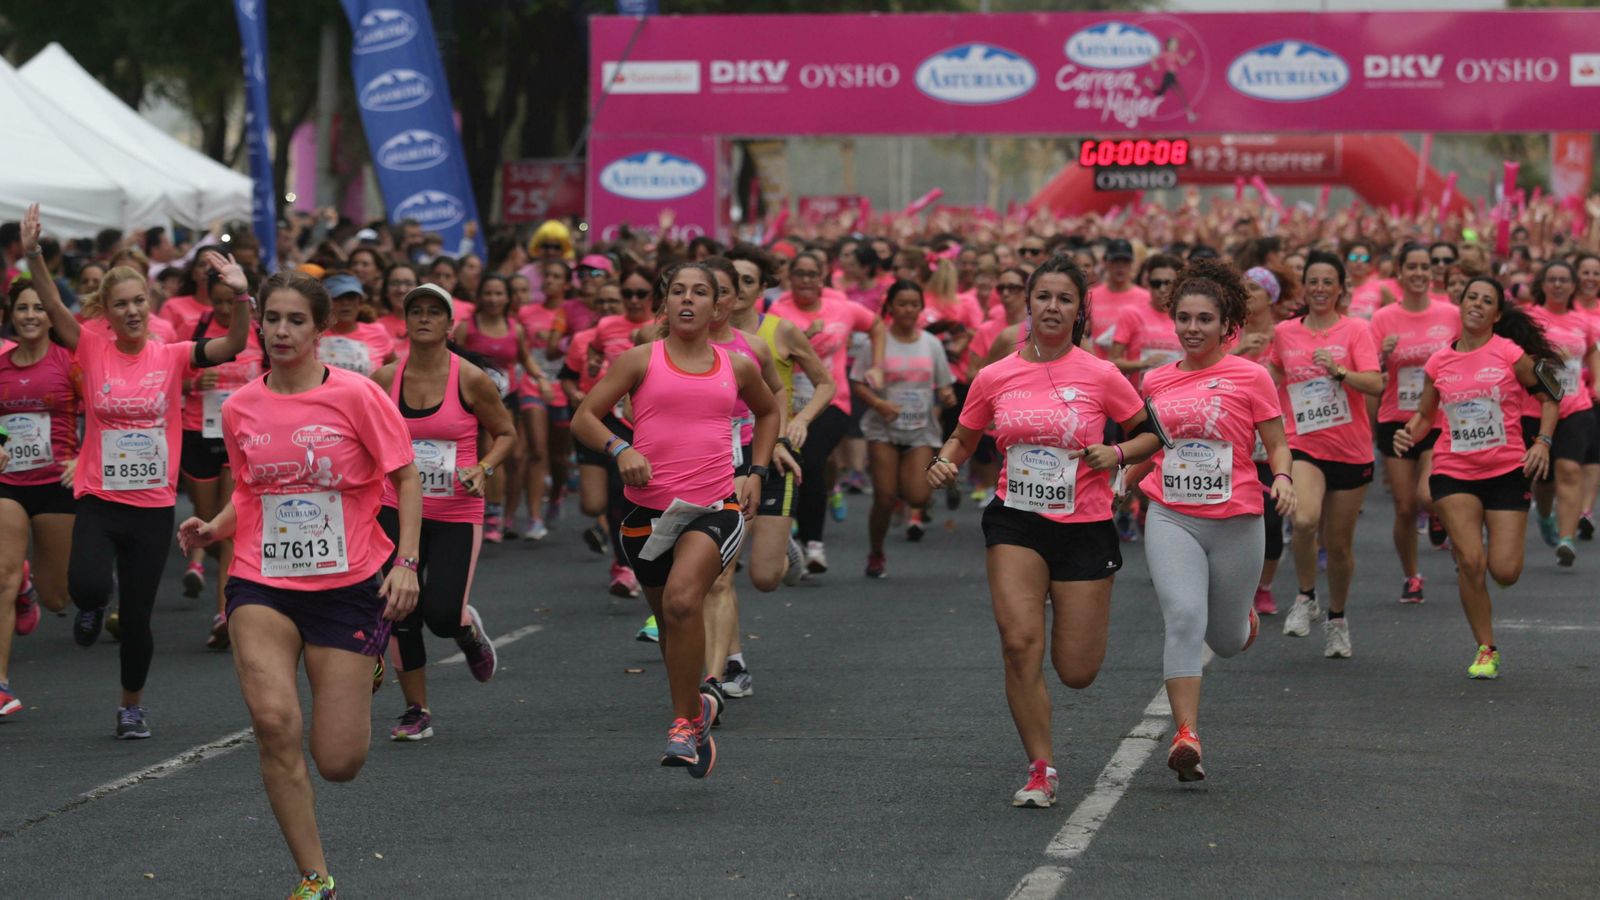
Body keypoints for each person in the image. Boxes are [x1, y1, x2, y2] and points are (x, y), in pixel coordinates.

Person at [177, 270, 421, 900]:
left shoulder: (359, 395)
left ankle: (370, 663)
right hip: (263, 581)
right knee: (273, 721)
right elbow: (254, 489)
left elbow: (405, 476)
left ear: (319, 329)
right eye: (273, 319)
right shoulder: (239, 407)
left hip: (349, 585)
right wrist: (214, 526)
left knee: (338, 762)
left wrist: (408, 563)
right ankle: (315, 876)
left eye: (296, 320)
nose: (281, 331)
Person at [927, 254, 1159, 809]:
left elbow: (1149, 434)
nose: (1052, 307)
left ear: (1080, 312)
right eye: (1044, 297)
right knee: (1018, 643)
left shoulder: (1101, 373)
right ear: (1027, 304)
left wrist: (1117, 453)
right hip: (1016, 520)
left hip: (1085, 526)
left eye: (1065, 299)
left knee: (1077, 671)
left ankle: (1048, 736)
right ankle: (1040, 767)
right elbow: (964, 436)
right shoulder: (995, 374)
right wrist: (945, 460)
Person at [20, 203, 250, 739]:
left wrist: (241, 295)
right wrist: (33, 252)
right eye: (120, 304)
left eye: (138, 302)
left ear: (150, 305)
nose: (130, 311)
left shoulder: (171, 355)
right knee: (89, 584)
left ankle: (131, 706)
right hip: (100, 498)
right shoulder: (91, 345)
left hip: (151, 507)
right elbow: (52, 302)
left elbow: (236, 344)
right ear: (106, 309)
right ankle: (93, 606)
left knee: (141, 619)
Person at [572, 262, 778, 778]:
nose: (688, 300)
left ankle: (682, 725)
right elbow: (584, 416)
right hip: (646, 513)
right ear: (664, 305)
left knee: (686, 598)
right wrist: (619, 448)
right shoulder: (639, 360)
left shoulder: (738, 365)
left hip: (714, 507)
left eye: (700, 292)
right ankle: (701, 710)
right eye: (679, 291)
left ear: (718, 307)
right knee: (670, 628)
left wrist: (754, 471)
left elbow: (769, 412)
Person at [1130, 259, 1293, 781]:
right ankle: (1186, 736)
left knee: (1223, 639)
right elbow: (1151, 442)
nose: (1192, 328)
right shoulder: (1154, 379)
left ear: (1227, 325)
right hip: (1171, 513)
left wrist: (1284, 480)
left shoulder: (1252, 376)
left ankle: (1241, 618)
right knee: (1182, 617)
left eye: (1204, 319)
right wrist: (1122, 476)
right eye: (1184, 318)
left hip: (1237, 518)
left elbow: (1277, 445)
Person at [1393, 276, 1558, 680]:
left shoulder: (1510, 353)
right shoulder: (1439, 361)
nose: (1477, 305)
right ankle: (1486, 648)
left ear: (1496, 314)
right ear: (1461, 304)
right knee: (1470, 560)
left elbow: (1550, 397)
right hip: (1454, 470)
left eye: (1487, 301)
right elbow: (1426, 415)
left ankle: (1487, 576)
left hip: (1505, 470)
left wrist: (1542, 443)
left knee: (1504, 571)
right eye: (1472, 298)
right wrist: (1409, 431)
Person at [374, 283, 513, 740]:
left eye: (435, 311)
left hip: (456, 510)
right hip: (396, 506)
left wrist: (485, 468)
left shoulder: (470, 378)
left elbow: (506, 433)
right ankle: (417, 710)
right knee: (400, 609)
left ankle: (466, 630)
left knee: (441, 613)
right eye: (417, 310)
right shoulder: (384, 379)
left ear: (450, 325)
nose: (425, 318)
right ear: (405, 321)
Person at [1268, 250, 1383, 658]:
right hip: (1303, 443)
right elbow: (1274, 373)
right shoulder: (1285, 332)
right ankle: (1304, 596)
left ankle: (1337, 619)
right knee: (1303, 518)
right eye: (1312, 281)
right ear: (1304, 287)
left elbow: (1375, 383)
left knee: (1338, 546)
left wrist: (1340, 372)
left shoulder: (1356, 330)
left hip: (1350, 449)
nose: (1319, 289)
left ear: (1340, 288)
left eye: (1327, 282)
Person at [770, 252, 885, 573]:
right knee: (803, 465)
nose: (806, 280)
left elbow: (876, 324)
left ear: (822, 278)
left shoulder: (842, 308)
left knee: (812, 459)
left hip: (833, 401)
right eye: (800, 274)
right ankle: (797, 537)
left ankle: (813, 544)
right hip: (792, 405)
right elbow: (775, 354)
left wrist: (874, 365)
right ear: (789, 279)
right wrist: (803, 338)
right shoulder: (779, 311)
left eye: (812, 274)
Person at [0, 277, 79, 718]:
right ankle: (1, 684)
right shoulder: (0, 364)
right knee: (0, 576)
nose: (30, 316)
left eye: (38, 308)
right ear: (11, 315)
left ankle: (29, 588)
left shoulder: (70, 364)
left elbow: (106, 414)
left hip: (55, 483)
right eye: (22, 308)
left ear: (52, 315)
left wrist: (83, 459)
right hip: (8, 482)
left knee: (57, 597)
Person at [176, 267, 266, 650]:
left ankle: (223, 612)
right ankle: (200, 559)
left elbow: (270, 374)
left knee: (233, 523)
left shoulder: (257, 332)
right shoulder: (195, 328)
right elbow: (172, 379)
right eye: (218, 301)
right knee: (208, 519)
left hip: (241, 437)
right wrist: (195, 382)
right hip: (199, 431)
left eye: (231, 301)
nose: (225, 308)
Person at [1369, 243, 1460, 601]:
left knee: (1427, 494)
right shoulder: (1382, 319)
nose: (1421, 273)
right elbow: (1370, 371)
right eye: (1413, 267)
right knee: (1405, 506)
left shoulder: (1450, 314)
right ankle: (1412, 575)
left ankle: (1444, 520)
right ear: (1401, 273)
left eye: (1426, 267)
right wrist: (1383, 355)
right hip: (1397, 419)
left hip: (1438, 418)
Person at [853, 279, 955, 576]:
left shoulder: (931, 344)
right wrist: (879, 404)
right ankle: (876, 553)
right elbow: (858, 382)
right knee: (884, 497)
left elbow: (945, 386)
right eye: (902, 304)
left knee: (918, 497)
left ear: (922, 308)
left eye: (914, 304)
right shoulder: (878, 341)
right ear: (890, 307)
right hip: (883, 428)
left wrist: (947, 395)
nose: (909, 310)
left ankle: (905, 497)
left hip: (920, 429)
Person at [452, 274, 547, 542]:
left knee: (514, 456)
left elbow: (525, 359)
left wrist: (542, 379)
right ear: (480, 296)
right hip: (475, 400)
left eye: (498, 294)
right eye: (489, 293)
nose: (493, 299)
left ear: (507, 298)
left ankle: (507, 514)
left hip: (508, 397)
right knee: (487, 451)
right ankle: (491, 514)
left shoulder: (514, 328)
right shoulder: (467, 328)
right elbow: (453, 360)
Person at [1524, 260, 1599, 565]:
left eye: (1563, 280)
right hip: (1537, 407)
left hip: (1575, 405)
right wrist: (1546, 358)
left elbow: (1592, 350)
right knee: (1544, 477)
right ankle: (1544, 516)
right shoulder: (1530, 318)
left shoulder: (1583, 321)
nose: (1557, 285)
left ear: (1572, 286)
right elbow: (1516, 355)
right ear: (1542, 285)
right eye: (1552, 280)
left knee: (1570, 469)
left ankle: (1566, 539)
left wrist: (1597, 382)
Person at [317, 274, 396, 377]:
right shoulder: (314, 334)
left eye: (351, 297)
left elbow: (397, 371)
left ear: (360, 302)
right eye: (337, 297)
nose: (345, 303)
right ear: (326, 304)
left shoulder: (377, 332)